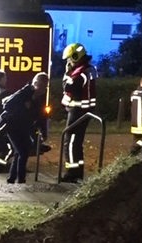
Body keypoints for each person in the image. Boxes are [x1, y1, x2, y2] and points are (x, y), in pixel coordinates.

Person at [0, 72, 49, 184]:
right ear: (35, 83)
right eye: (42, 86)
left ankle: (12, 178)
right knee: (23, 152)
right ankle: (21, 180)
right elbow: (8, 105)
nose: (44, 89)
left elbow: (41, 116)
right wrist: (23, 107)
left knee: (20, 152)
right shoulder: (24, 92)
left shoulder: (40, 97)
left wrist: (43, 131)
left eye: (46, 86)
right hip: (13, 127)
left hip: (24, 127)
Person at [59, 43, 97, 183]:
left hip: (78, 111)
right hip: (83, 111)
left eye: (70, 58)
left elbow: (69, 87)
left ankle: (71, 173)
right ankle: (78, 172)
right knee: (76, 142)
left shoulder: (80, 72)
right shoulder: (88, 69)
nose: (68, 62)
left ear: (76, 56)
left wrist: (67, 73)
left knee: (70, 141)